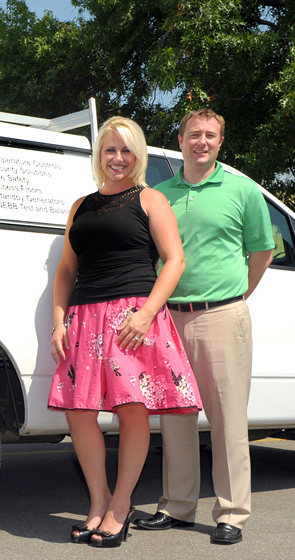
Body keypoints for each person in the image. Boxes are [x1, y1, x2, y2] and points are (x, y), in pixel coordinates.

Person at [47, 116, 202, 548]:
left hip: (133, 317)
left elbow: (174, 261)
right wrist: (59, 321)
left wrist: (146, 313)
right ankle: (97, 503)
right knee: (80, 412)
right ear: (99, 155)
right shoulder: (81, 206)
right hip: (84, 318)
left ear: (138, 155)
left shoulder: (150, 199)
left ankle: (121, 505)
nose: (118, 158)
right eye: (110, 150)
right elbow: (65, 270)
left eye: (126, 150)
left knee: (133, 410)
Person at [133, 109, 274, 545]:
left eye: (210, 135)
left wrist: (234, 297)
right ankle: (177, 506)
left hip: (221, 316)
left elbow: (262, 252)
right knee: (175, 418)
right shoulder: (158, 194)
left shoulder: (243, 190)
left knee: (228, 420)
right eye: (194, 134)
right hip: (168, 319)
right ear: (180, 140)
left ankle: (232, 512)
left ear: (220, 141)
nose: (202, 142)